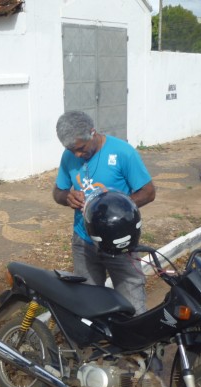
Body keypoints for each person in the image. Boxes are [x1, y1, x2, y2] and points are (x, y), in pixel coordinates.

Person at [52, 111, 156, 315]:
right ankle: (99, 342)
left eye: (81, 149)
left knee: (132, 304)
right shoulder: (69, 156)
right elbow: (58, 191)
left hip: (120, 243)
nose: (77, 155)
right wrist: (67, 198)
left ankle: (133, 342)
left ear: (92, 132)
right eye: (71, 150)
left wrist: (115, 211)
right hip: (84, 243)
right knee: (88, 302)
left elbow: (148, 192)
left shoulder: (123, 153)